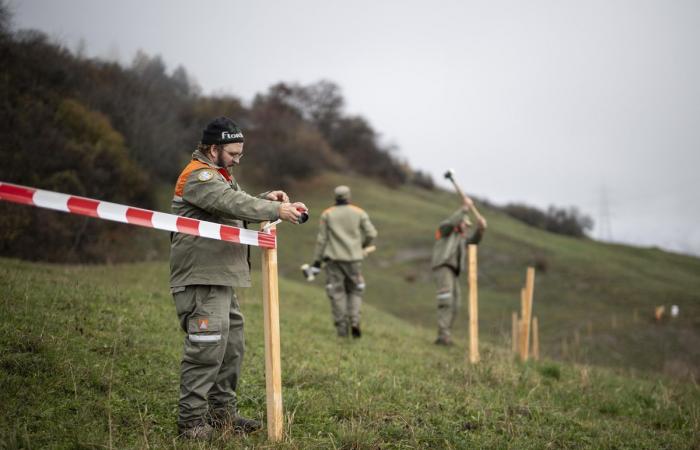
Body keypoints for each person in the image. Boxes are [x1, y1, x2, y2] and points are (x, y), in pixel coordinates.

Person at [169, 117, 307, 440]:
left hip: (220, 279)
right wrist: (274, 212)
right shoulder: (199, 177)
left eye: (240, 154)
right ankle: (190, 424)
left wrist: (266, 199)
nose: (237, 159)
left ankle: (222, 416)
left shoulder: (220, 176)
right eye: (233, 153)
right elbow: (230, 202)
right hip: (200, 278)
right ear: (213, 148)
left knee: (231, 348)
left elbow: (235, 206)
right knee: (206, 349)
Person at [311, 185, 377, 338]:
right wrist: (362, 246)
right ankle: (355, 321)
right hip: (354, 259)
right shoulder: (359, 212)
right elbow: (371, 233)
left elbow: (322, 240)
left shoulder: (327, 214)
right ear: (349, 197)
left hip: (333, 260)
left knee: (337, 292)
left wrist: (316, 261)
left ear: (335, 197)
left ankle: (342, 329)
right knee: (355, 290)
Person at [431, 196, 487, 346]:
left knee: (456, 303)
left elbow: (473, 242)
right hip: (443, 267)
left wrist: (480, 230)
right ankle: (443, 336)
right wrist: (464, 209)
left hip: (453, 272)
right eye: (465, 224)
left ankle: (446, 334)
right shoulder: (445, 230)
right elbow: (451, 223)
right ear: (460, 221)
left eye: (468, 226)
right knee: (446, 300)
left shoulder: (461, 239)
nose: (466, 228)